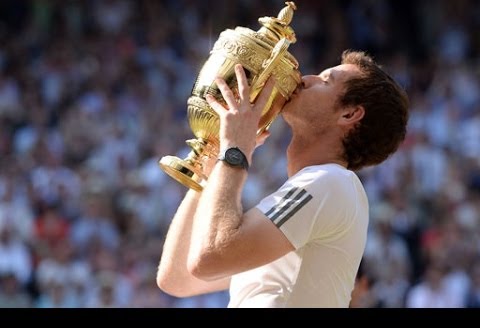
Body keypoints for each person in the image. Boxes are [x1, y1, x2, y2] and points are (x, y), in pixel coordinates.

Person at [156, 50, 409, 307]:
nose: (306, 79)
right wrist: (214, 156)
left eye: (325, 81)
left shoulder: (332, 182)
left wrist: (235, 151)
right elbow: (178, 278)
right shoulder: (309, 200)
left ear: (349, 115)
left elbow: (209, 257)